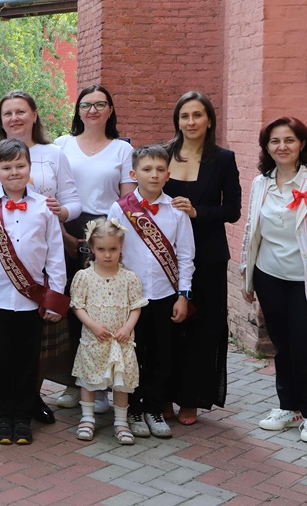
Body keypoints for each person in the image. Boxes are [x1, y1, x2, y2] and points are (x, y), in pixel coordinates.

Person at [0, 91, 81, 424]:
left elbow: (56, 252)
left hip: (33, 291)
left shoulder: (52, 162)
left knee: (30, 355)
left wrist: (61, 211)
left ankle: (26, 409)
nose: (14, 118)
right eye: (8, 113)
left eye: (21, 111)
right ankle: (3, 414)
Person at [241, 117, 307, 444]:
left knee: (305, 346)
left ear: (302, 144)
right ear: (267, 147)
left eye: (289, 140)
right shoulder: (261, 183)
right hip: (269, 276)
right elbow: (251, 231)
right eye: (275, 141)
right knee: (283, 345)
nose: (282, 146)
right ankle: (289, 408)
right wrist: (248, 277)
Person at [50, 85, 135, 412]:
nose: (93, 110)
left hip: (105, 235)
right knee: (69, 310)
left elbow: (126, 202)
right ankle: (73, 383)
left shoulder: (122, 150)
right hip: (66, 229)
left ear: (110, 109)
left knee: (101, 311)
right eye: (86, 104)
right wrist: (64, 236)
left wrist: (108, 242)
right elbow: (53, 194)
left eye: (100, 104)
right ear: (78, 110)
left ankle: (100, 386)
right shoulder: (62, 144)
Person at [163, 91, 241, 425]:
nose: (191, 122)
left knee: (202, 327)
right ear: (177, 120)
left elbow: (233, 210)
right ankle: (162, 394)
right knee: (165, 326)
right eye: (185, 116)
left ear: (209, 120)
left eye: (197, 115)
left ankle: (191, 398)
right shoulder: (163, 154)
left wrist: (198, 212)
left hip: (208, 255)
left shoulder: (223, 159)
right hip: (164, 255)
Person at [108, 145, 193, 440]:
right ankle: (133, 408)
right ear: (134, 174)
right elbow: (110, 252)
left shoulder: (177, 211)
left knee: (161, 354)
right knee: (132, 353)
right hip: (129, 297)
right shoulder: (120, 209)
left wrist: (183, 295)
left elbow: (186, 256)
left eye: (159, 170)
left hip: (165, 295)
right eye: (147, 169)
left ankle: (154, 407)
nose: (153, 175)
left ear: (168, 175)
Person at [70, 218, 146, 445]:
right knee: (89, 378)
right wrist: (92, 326)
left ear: (121, 247)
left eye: (113, 249)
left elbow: (136, 306)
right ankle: (87, 418)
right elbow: (77, 306)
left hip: (120, 340)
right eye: (102, 249)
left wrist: (128, 327)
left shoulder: (129, 278)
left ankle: (121, 422)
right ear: (92, 248)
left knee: (121, 381)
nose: (107, 254)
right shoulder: (84, 277)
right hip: (95, 339)